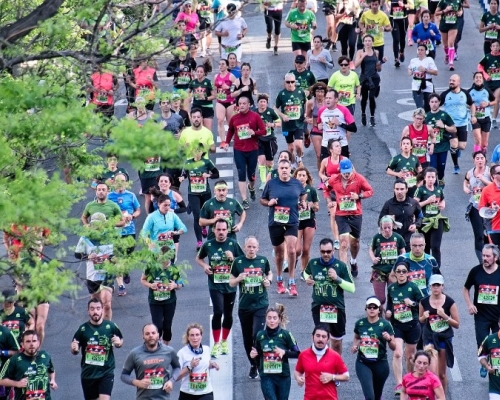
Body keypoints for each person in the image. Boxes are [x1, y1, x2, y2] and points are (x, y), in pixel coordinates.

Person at [196, 219, 244, 358]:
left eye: (224, 230)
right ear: (213, 230)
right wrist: (205, 266)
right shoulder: (209, 244)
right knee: (218, 311)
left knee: (228, 314)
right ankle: (216, 343)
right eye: (218, 229)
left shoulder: (233, 244)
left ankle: (224, 341)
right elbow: (199, 258)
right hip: (215, 283)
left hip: (230, 284)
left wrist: (232, 258)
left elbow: (243, 261)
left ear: (227, 230)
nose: (221, 232)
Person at [261, 159, 307, 296]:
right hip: (275, 223)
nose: (285, 170)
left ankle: (292, 281)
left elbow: (303, 193)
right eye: (282, 168)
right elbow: (262, 200)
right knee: (280, 253)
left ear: (290, 170)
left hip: (292, 221)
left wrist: (303, 202)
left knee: (292, 250)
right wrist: (269, 203)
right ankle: (280, 279)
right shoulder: (271, 184)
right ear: (278, 169)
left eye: (287, 168)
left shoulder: (296, 183)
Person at [230, 236, 273, 379]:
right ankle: (253, 364)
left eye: (254, 247)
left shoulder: (262, 261)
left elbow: (269, 273)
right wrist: (238, 279)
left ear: (258, 248)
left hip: (260, 303)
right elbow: (231, 282)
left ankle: (260, 364)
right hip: (244, 306)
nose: (251, 249)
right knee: (247, 339)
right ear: (245, 247)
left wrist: (269, 281)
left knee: (257, 334)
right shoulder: (238, 262)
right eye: (249, 247)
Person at [304, 238, 355, 354]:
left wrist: (337, 279)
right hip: (319, 307)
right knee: (322, 339)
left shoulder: (341, 266)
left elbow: (352, 288)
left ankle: (336, 367)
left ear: (333, 250)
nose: (326, 254)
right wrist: (307, 278)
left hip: (337, 308)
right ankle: (323, 366)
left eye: (328, 251)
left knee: (336, 342)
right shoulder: (313, 263)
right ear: (319, 251)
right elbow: (306, 272)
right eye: (323, 252)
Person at [326, 158, 373, 275]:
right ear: (339, 170)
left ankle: (353, 261)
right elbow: (325, 188)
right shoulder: (334, 179)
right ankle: (343, 271)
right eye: (344, 172)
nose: (347, 174)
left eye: (349, 171)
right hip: (341, 215)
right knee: (343, 243)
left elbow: (370, 191)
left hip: (355, 214)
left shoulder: (359, 178)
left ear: (352, 169)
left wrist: (359, 195)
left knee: (355, 242)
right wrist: (329, 201)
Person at [71, 298, 123, 400]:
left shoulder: (111, 326)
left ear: (102, 310)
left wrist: (118, 343)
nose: (95, 312)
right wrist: (75, 349)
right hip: (88, 374)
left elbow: (120, 340)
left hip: (106, 371)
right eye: (92, 309)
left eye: (98, 308)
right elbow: (74, 346)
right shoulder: (82, 329)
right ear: (88, 311)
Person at [386, 260, 424, 396]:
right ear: (395, 274)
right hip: (397, 326)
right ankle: (399, 384)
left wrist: (412, 303)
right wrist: (388, 313)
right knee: (397, 353)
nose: (401, 274)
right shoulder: (391, 288)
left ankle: (409, 381)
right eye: (398, 271)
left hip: (412, 325)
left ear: (407, 273)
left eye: (403, 271)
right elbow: (389, 305)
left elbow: (423, 303)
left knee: (410, 356)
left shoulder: (413, 287)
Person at [223, 96, 266, 210]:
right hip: (239, 149)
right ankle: (244, 199)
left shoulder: (255, 116)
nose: (241, 105)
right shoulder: (235, 118)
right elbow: (231, 130)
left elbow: (263, 130)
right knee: (241, 173)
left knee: (251, 175)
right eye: (240, 103)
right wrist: (226, 142)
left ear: (248, 105)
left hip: (252, 149)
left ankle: (251, 188)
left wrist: (254, 132)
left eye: (244, 103)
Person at [419, 274, 460, 392]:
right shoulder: (424, 302)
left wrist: (445, 316)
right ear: (430, 287)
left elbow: (457, 324)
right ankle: (430, 395)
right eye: (433, 285)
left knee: (441, 374)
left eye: (438, 285)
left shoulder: (450, 302)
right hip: (429, 337)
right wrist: (423, 317)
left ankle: (442, 396)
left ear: (443, 286)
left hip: (444, 337)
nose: (436, 288)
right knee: (431, 370)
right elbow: (420, 320)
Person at [251, 304, 300, 399]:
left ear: (279, 320)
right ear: (265, 319)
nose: (272, 321)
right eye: (269, 318)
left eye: (274, 318)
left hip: (283, 377)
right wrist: (254, 355)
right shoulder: (260, 335)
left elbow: (298, 354)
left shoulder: (286, 334)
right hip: (267, 376)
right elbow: (257, 352)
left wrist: (284, 352)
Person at [75, 213, 117, 321]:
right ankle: (96, 326)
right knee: (95, 305)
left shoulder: (111, 236)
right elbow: (77, 254)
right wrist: (87, 256)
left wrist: (113, 258)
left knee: (106, 304)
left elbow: (119, 253)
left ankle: (107, 328)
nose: (97, 227)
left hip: (108, 274)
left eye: (99, 224)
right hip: (93, 275)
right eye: (94, 224)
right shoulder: (85, 238)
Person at [351, 296, 396, 400]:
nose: (372, 309)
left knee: (376, 396)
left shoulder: (385, 324)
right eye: (369, 307)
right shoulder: (360, 323)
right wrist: (355, 346)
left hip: (380, 364)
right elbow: (357, 337)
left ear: (379, 309)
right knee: (370, 397)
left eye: (374, 307)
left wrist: (389, 339)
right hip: (363, 363)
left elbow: (394, 347)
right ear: (366, 308)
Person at [121, 323, 180, 399]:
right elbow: (124, 375)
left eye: (153, 333)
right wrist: (137, 382)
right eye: (147, 334)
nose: (151, 335)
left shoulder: (169, 351)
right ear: (143, 336)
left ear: (158, 335)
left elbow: (177, 367)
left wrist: (171, 381)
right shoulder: (134, 353)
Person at [179, 146, 220, 250]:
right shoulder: (188, 163)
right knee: (197, 216)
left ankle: (204, 227)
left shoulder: (207, 162)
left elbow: (217, 174)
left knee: (206, 214)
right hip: (193, 194)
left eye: (199, 150)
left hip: (205, 193)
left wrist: (209, 175)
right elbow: (184, 174)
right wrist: (182, 178)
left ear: (202, 152)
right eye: (194, 150)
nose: (196, 153)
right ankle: (199, 242)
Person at [141, 246, 184, 346]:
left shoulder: (174, 268)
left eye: (166, 258)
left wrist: (175, 285)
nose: (163, 261)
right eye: (162, 258)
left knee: (167, 327)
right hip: (155, 301)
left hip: (169, 301)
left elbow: (180, 284)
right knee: (157, 326)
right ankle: (157, 347)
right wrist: (150, 285)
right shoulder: (151, 267)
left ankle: (165, 348)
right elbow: (143, 280)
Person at [295, 324, 350, 400]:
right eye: (318, 336)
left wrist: (332, 377)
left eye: (323, 337)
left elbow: (346, 376)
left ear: (328, 339)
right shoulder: (303, 355)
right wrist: (298, 378)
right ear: (312, 337)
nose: (320, 339)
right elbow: (297, 371)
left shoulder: (335, 356)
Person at [108, 172, 141, 296]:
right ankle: (121, 285)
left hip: (129, 231)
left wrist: (132, 216)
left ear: (126, 183)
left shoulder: (131, 196)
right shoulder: (109, 196)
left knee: (127, 256)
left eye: (122, 181)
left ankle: (126, 270)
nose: (120, 183)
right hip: (115, 233)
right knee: (117, 258)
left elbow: (138, 210)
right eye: (118, 181)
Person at [463, 244, 500, 354]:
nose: (484, 258)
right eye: (483, 255)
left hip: (497, 317)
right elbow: (466, 289)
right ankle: (484, 366)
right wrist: (470, 304)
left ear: (496, 258)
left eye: (488, 256)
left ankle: (495, 369)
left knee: (497, 346)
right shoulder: (476, 271)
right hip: (481, 316)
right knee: (481, 343)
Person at [0, 330, 55, 399]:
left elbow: (51, 370)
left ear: (38, 343)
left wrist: (52, 380)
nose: (31, 344)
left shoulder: (45, 356)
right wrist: (17, 384)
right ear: (22, 344)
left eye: (34, 341)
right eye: (28, 341)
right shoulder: (14, 360)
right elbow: (1, 380)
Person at [440, 74, 475, 174]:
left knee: (462, 146)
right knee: (454, 144)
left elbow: (472, 104)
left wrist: (473, 115)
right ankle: (456, 165)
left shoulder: (464, 93)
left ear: (459, 82)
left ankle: (456, 150)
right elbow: (436, 106)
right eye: (450, 80)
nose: (451, 82)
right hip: (451, 125)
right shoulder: (445, 94)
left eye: (453, 81)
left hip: (463, 123)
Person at [415, 167, 448, 268]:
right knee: (426, 247)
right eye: (428, 177)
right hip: (424, 222)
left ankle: (436, 269)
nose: (431, 179)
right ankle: (425, 268)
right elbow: (414, 205)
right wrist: (427, 201)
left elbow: (442, 200)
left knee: (436, 247)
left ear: (435, 178)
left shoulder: (438, 190)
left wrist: (442, 204)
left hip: (436, 221)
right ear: (424, 178)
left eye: (433, 177)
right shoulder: (420, 190)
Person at [369, 216, 406, 306]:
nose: (387, 230)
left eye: (389, 227)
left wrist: (401, 259)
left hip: (393, 271)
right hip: (379, 271)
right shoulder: (377, 238)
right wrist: (373, 258)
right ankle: (379, 316)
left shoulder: (398, 237)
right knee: (380, 299)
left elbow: (403, 250)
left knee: (393, 297)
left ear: (393, 226)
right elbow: (370, 249)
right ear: (381, 227)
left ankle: (391, 316)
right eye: (384, 228)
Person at [176, 323, 220, 399]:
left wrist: (211, 365)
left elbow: (205, 364)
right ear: (188, 337)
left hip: (206, 392)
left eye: (197, 335)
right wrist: (190, 366)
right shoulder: (182, 353)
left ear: (201, 336)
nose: (195, 338)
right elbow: (176, 377)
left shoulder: (206, 349)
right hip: (187, 393)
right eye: (192, 335)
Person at [274, 73, 307, 167]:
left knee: (298, 145)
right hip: (287, 126)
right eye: (288, 82)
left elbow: (306, 103)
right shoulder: (282, 94)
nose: (290, 84)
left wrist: (305, 113)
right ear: (285, 83)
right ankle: (292, 164)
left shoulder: (300, 92)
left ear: (295, 82)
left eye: (292, 82)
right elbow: (275, 107)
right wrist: (282, 115)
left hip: (298, 123)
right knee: (291, 147)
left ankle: (299, 158)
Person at [379, 179, 423, 250]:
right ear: (394, 190)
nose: (399, 191)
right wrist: (388, 221)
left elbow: (420, 217)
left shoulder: (413, 203)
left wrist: (416, 225)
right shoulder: (388, 204)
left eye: (402, 189)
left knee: (408, 260)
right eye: (397, 189)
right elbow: (380, 221)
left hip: (409, 238)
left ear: (406, 190)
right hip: (393, 238)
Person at [392, 232, 440, 296]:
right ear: (410, 245)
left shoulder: (431, 260)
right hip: (407, 298)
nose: (417, 249)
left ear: (425, 245)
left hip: (425, 299)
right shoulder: (402, 259)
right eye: (414, 245)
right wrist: (400, 289)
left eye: (420, 245)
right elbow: (392, 276)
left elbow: (439, 280)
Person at [464, 152, 492, 262]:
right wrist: (465, 188)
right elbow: (466, 181)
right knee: (479, 235)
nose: (480, 160)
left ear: (485, 160)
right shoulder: (470, 172)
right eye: (477, 158)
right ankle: (482, 261)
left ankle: (491, 257)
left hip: (489, 208)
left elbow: (495, 185)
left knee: (488, 235)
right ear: (474, 160)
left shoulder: (489, 172)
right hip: (475, 207)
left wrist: (483, 179)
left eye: (482, 158)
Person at [426, 93, 457, 186]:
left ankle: (441, 178)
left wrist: (444, 126)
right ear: (429, 103)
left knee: (441, 168)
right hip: (431, 147)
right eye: (432, 102)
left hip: (443, 146)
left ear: (439, 102)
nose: (434, 104)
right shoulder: (426, 116)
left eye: (436, 102)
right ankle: (434, 188)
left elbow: (454, 129)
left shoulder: (444, 115)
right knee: (432, 167)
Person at [317, 89, 357, 159]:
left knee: (343, 169)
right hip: (326, 145)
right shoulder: (321, 110)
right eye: (326, 98)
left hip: (341, 144)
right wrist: (319, 126)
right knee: (327, 169)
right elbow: (319, 124)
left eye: (330, 98)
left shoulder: (343, 110)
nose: (327, 100)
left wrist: (340, 124)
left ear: (336, 100)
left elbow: (354, 128)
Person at [294, 167, 319, 274]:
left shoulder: (311, 190)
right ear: (295, 177)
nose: (302, 177)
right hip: (296, 222)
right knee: (297, 249)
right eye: (299, 175)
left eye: (304, 175)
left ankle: (304, 272)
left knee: (306, 249)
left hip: (309, 221)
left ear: (307, 177)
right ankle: (294, 259)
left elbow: (317, 207)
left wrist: (311, 205)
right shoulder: (292, 189)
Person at [355, 34, 384, 127]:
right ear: (363, 42)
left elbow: (379, 69)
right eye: (366, 41)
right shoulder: (360, 52)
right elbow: (355, 65)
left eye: (369, 41)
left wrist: (381, 63)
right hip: (364, 78)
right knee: (364, 98)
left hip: (374, 78)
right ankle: (363, 114)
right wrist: (363, 56)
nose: (367, 43)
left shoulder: (376, 52)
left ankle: (372, 116)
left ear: (372, 42)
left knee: (371, 97)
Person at [253, 93, 281, 190]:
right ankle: (263, 182)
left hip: (269, 139)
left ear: (267, 103)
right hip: (258, 139)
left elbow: (279, 122)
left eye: (264, 102)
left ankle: (271, 180)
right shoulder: (254, 112)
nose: (262, 104)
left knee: (269, 163)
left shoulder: (271, 112)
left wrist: (272, 125)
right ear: (258, 103)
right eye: (261, 102)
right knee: (261, 160)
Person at [469, 71, 496, 154]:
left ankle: (483, 154)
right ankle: (477, 157)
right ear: (473, 79)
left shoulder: (487, 90)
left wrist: (487, 104)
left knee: (484, 144)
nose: (478, 79)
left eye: (480, 77)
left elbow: (495, 101)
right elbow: (465, 103)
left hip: (486, 118)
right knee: (478, 140)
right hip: (475, 118)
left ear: (483, 80)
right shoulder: (469, 92)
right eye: (476, 77)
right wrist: (471, 105)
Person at [408, 44, 438, 112]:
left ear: (426, 52)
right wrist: (410, 72)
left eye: (422, 50)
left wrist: (425, 70)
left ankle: (427, 121)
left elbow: (436, 72)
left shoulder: (429, 60)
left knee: (428, 107)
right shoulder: (413, 60)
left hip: (427, 84)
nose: (420, 52)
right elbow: (409, 68)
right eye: (418, 50)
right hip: (416, 85)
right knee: (420, 108)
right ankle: (422, 121)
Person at [435, 0, 463, 71]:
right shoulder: (442, 2)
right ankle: (447, 54)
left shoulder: (457, 1)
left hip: (454, 25)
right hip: (444, 25)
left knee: (451, 43)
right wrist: (445, 10)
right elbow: (436, 13)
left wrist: (459, 13)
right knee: (445, 45)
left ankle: (451, 62)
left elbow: (460, 10)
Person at [305, 82, 327, 170]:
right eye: (318, 91)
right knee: (319, 155)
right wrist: (308, 120)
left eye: (322, 91)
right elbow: (306, 116)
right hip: (315, 131)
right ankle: (321, 175)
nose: (320, 94)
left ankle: (328, 173)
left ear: (325, 92)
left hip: (327, 131)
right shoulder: (310, 103)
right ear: (314, 92)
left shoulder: (328, 101)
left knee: (328, 155)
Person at [214, 59, 237, 144]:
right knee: (220, 120)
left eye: (223, 64)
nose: (221, 66)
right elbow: (214, 88)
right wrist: (215, 95)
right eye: (220, 64)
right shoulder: (216, 76)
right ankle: (223, 141)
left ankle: (234, 137)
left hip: (230, 101)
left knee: (230, 122)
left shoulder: (231, 76)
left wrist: (228, 88)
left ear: (227, 66)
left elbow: (236, 87)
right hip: (220, 101)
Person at [188, 63, 216, 131]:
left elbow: (214, 96)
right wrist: (190, 96)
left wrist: (205, 98)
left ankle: (208, 141)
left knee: (207, 131)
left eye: (201, 72)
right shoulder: (193, 82)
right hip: (196, 107)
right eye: (197, 71)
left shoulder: (208, 82)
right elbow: (187, 93)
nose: (199, 73)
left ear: (204, 73)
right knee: (198, 129)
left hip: (207, 108)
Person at [479, 164, 500, 246]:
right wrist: (492, 209)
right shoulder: (487, 190)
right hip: (494, 228)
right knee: (496, 256)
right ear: (494, 175)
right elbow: (481, 210)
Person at [386, 0, 409, 67]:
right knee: (396, 39)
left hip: (403, 20)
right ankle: (396, 59)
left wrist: (403, 5)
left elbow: (411, 6)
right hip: (394, 19)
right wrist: (387, 6)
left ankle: (401, 51)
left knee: (402, 39)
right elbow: (386, 1)